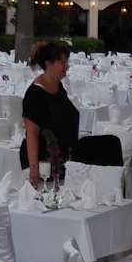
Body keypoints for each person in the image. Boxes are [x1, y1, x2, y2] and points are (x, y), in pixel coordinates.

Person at [19, 40, 80, 188]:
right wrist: (34, 170)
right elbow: (31, 133)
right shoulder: (36, 93)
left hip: (62, 160)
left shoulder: (59, 87)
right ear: (48, 64)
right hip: (43, 164)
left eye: (67, 62)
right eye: (62, 62)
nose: (67, 66)